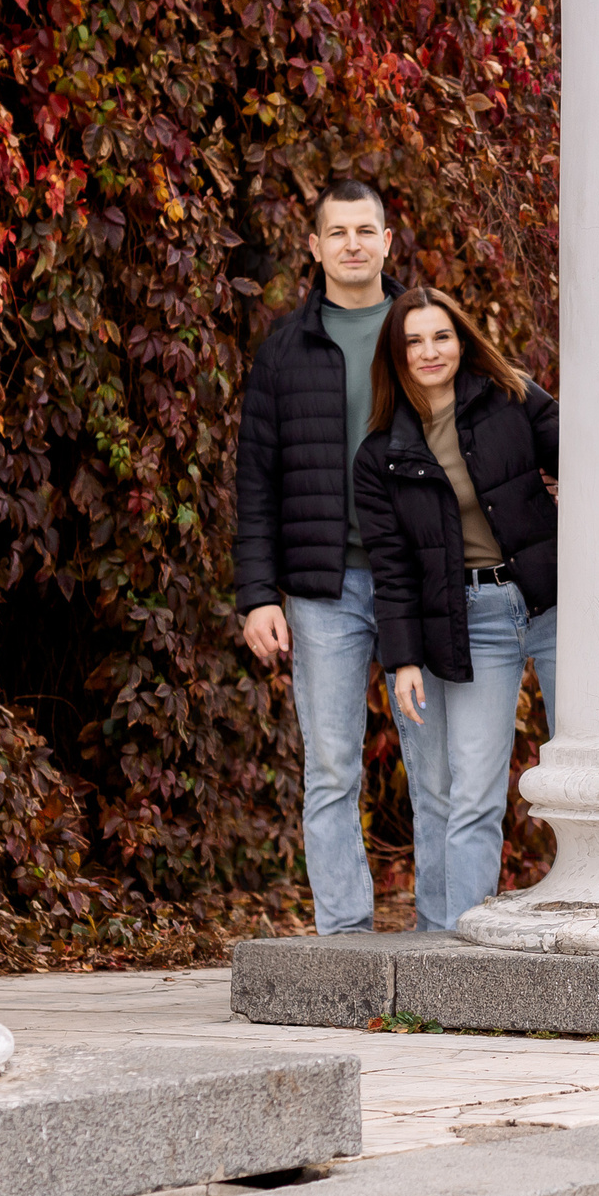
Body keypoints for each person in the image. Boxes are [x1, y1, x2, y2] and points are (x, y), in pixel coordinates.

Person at [353, 285, 561, 932]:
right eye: (413, 341)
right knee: (473, 792)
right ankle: (460, 947)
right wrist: (403, 660)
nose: (429, 351)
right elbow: (391, 568)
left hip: (558, 605)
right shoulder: (380, 455)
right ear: (396, 354)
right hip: (476, 621)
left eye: (441, 336)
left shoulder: (513, 396)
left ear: (462, 340)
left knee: (593, 766)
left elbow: (592, 460)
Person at [235, 181, 401, 936]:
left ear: (386, 241)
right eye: (338, 232)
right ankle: (345, 936)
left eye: (365, 230)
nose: (352, 244)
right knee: (332, 767)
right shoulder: (284, 349)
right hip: (321, 590)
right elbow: (257, 480)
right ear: (315, 247)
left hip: (413, 582)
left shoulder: (423, 331)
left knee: (437, 767)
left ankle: (444, 936)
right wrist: (256, 595)